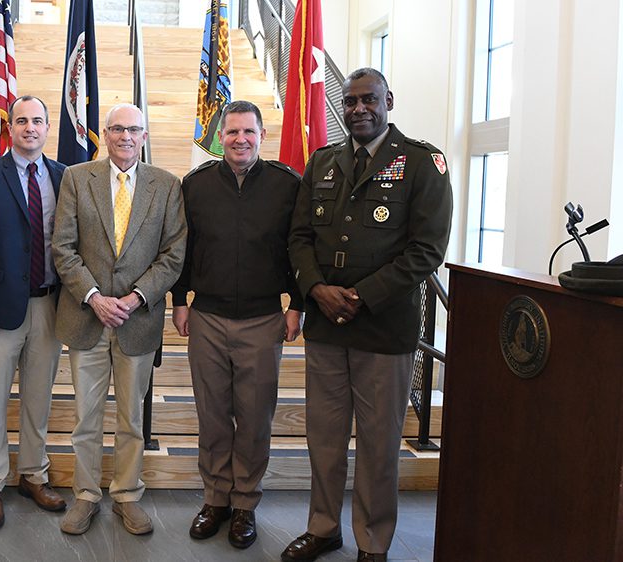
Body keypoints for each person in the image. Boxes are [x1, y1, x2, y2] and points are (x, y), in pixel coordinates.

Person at [283, 68, 453, 562]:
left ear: (388, 101)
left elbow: (427, 250)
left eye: (369, 100)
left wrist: (359, 295)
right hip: (326, 326)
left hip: (384, 327)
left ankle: (373, 543)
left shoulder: (423, 163)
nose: (359, 109)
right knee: (325, 438)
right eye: (351, 101)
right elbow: (299, 238)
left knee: (379, 446)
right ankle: (323, 528)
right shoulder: (323, 162)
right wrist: (316, 288)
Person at [170, 100, 304, 550]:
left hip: (264, 319)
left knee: (254, 418)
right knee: (212, 417)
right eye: (231, 133)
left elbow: (299, 250)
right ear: (219, 137)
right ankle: (216, 500)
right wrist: (179, 300)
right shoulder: (197, 185)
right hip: (206, 316)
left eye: (248, 132)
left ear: (261, 135)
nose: (240, 140)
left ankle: (245, 503)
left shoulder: (287, 186)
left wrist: (297, 305)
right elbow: (183, 249)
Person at [52, 103, 187, 536]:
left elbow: (173, 254)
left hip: (138, 320)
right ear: (104, 135)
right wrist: (94, 296)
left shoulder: (167, 185)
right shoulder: (77, 178)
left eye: (133, 129)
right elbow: (64, 247)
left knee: (131, 418)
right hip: (85, 318)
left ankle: (127, 494)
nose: (125, 136)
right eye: (116, 129)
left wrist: (135, 297)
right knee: (86, 417)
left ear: (143, 136)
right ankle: (87, 496)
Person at [0, 95, 67, 528]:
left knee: (38, 401)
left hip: (50, 305)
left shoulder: (63, 175)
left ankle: (34, 475)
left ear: (46, 127)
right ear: (10, 127)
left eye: (37, 121)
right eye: (22, 121)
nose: (30, 128)